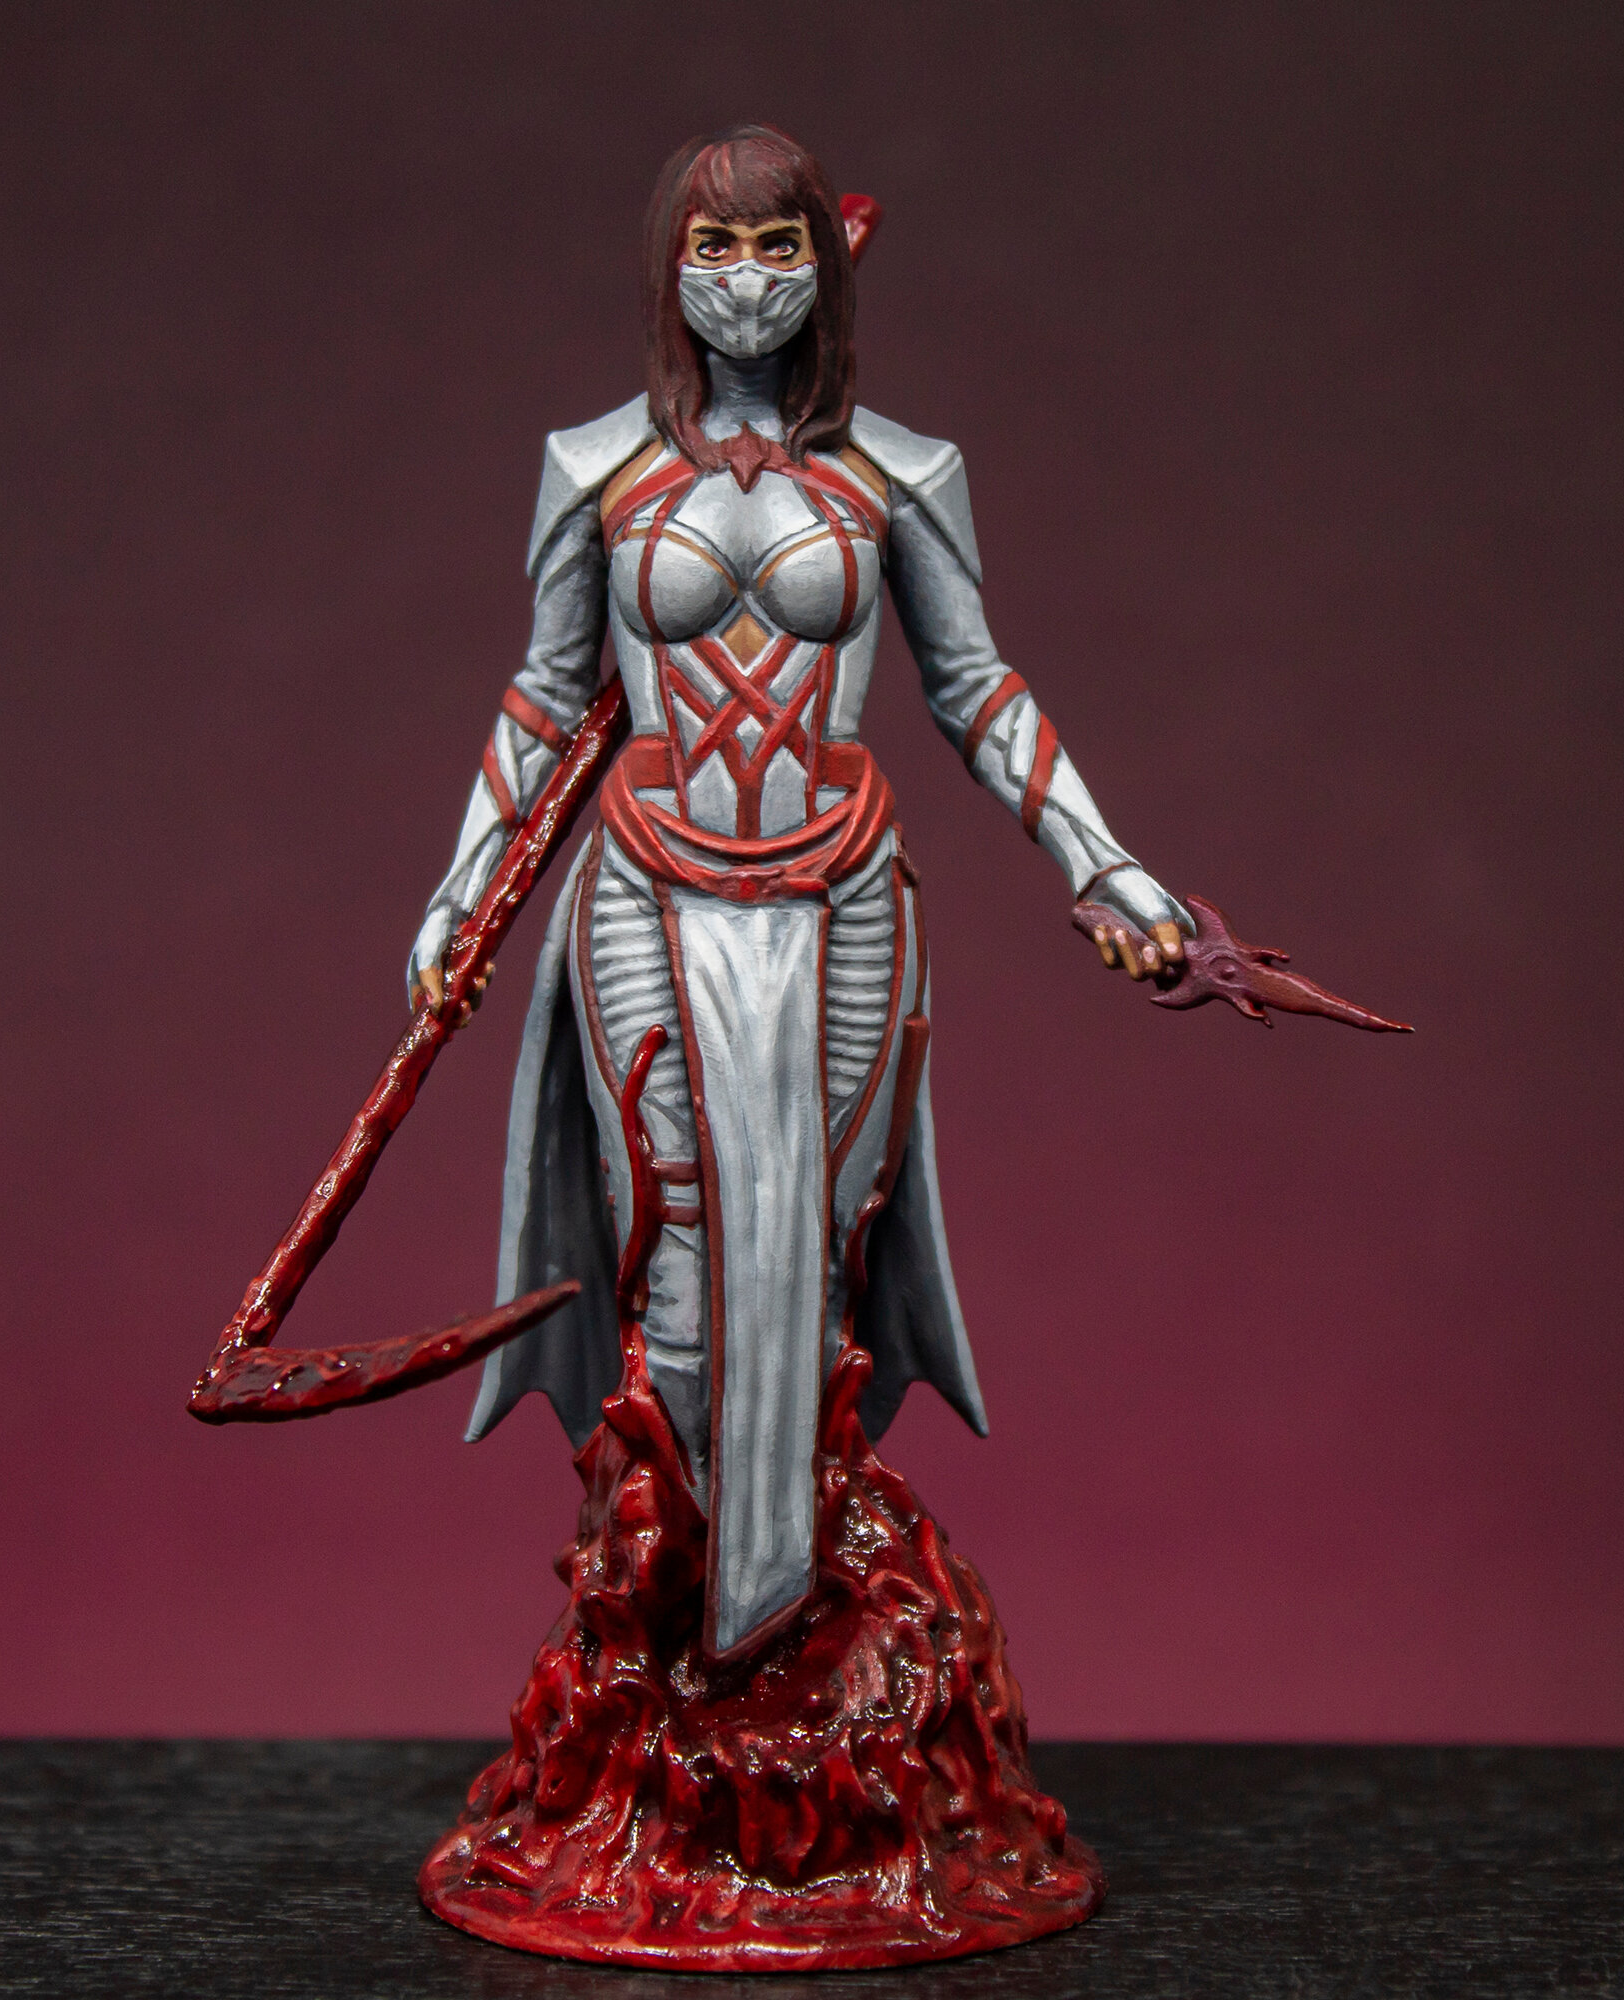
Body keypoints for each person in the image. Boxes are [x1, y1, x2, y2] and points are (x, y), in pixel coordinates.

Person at [405, 124, 1191, 1665]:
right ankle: (703, 1628)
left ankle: (794, 1623)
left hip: (843, 899)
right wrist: (457, 892)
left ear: (825, 265)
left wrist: (1106, 865)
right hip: (647, 890)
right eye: (716, 247)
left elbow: (976, 687)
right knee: (682, 1261)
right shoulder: (594, 468)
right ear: (669, 267)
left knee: (812, 1261)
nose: (748, 280)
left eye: (780, 248)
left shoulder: (904, 471)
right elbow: (547, 696)